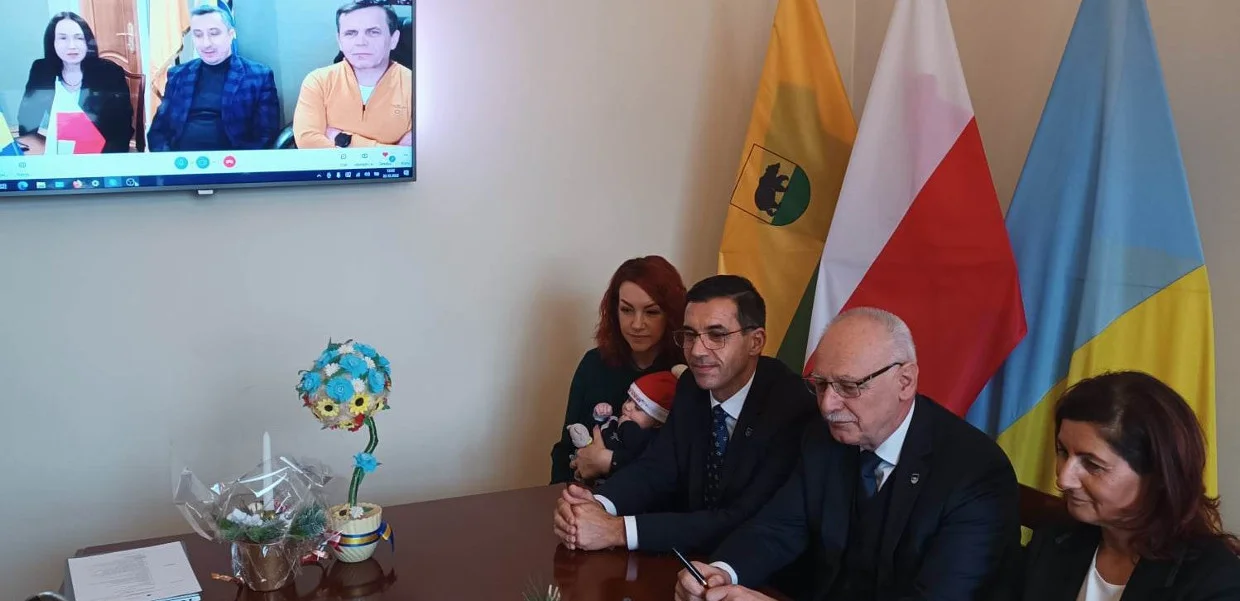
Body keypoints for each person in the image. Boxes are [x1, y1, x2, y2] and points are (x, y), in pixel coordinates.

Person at [676, 307, 1019, 601]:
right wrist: (721, 573)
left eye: (849, 387)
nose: (828, 406)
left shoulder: (976, 474)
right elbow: (778, 528)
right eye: (820, 384)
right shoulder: (823, 437)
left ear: (905, 382)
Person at [554, 275, 817, 555]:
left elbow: (743, 519)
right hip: (687, 558)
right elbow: (657, 468)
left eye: (716, 335)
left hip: (754, 569)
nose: (698, 351)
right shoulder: (692, 385)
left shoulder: (790, 405)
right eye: (690, 335)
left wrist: (617, 530)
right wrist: (595, 505)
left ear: (755, 341)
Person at [1017, 371, 1240, 600]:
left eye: (1093, 465)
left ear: (1159, 475)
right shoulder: (1055, 537)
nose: (1063, 479)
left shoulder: (1214, 580)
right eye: (1063, 451)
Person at [550, 255, 687, 485]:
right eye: (626, 310)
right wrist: (562, 496)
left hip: (649, 503)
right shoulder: (594, 363)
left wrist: (609, 462)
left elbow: (680, 467)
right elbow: (565, 448)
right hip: (582, 493)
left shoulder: (683, 375)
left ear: (671, 315)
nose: (636, 324)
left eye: (651, 312)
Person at [146, 4, 281, 152]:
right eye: (198, 35)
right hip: (181, 160)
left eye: (214, 33)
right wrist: (170, 160)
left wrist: (237, 163)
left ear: (231, 34)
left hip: (232, 162)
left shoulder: (259, 77)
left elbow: (265, 136)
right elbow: (158, 132)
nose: (206, 43)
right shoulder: (178, 75)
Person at [293, 1, 413, 149]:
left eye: (373, 32)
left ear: (393, 39)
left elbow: (418, 152)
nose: (361, 42)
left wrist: (343, 139)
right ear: (340, 41)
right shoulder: (318, 81)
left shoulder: (416, 86)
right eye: (350, 33)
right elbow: (307, 142)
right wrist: (392, 151)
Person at [17, 12, 133, 154]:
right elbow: (27, 119)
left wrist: (103, 160)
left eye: (78, 38)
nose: (71, 46)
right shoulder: (41, 69)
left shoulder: (110, 72)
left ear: (87, 42)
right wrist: (36, 148)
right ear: (52, 42)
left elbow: (121, 128)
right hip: (55, 151)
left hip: (99, 154)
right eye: (63, 38)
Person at [565, 366, 687, 482]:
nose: (628, 406)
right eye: (629, 400)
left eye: (638, 408)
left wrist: (626, 426)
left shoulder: (650, 440)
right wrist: (600, 417)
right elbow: (598, 430)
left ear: (657, 423)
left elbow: (635, 449)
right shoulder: (618, 420)